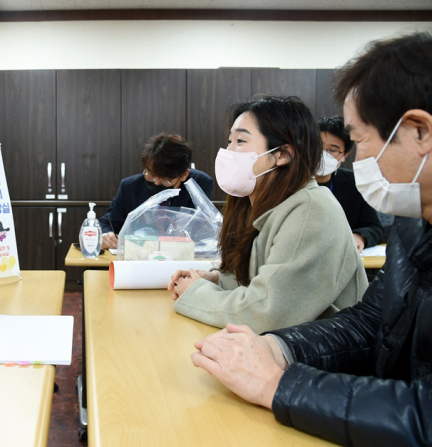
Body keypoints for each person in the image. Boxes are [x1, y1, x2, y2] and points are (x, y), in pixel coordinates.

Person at [190, 32, 432, 446]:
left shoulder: (314, 208)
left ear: (419, 132)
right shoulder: (414, 225)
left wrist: (281, 385)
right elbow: (369, 323)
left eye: (357, 141)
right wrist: (279, 350)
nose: (353, 161)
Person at [168, 96, 367, 332]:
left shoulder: (311, 209)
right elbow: (255, 281)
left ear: (282, 154)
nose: (228, 151)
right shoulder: (255, 202)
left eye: (241, 141)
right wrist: (216, 280)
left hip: (322, 355)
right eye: (229, 141)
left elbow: (268, 313)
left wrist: (196, 293)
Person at [100, 133, 214, 249]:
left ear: (184, 175)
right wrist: (106, 236)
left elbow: (199, 229)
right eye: (151, 174)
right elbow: (107, 223)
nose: (156, 182)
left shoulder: (198, 184)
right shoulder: (130, 187)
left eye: (165, 179)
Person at [315, 115, 384, 251]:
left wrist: (359, 236)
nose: (323, 154)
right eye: (318, 147)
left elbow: (374, 228)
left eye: (333, 150)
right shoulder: (289, 182)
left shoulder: (355, 183)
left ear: (344, 155)